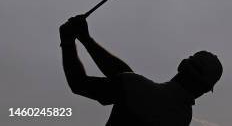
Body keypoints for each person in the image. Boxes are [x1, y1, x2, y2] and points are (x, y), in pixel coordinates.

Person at [60, 15, 223, 125]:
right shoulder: (182, 118)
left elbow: (79, 84)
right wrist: (87, 40)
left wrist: (67, 41)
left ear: (181, 65)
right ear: (206, 89)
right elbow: (127, 77)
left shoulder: (135, 87)